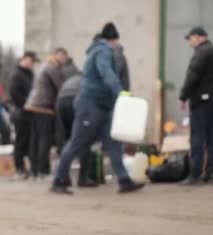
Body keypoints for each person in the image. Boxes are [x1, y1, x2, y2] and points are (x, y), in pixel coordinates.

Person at [51, 22, 144, 194]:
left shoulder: (100, 49)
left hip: (102, 107)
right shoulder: (102, 50)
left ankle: (124, 181)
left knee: (113, 144)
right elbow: (106, 71)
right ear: (114, 40)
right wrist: (120, 92)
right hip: (90, 105)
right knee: (76, 142)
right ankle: (59, 179)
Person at [180, 26, 213, 185]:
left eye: (191, 38)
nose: (190, 42)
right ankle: (209, 173)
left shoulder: (201, 53)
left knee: (197, 138)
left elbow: (192, 76)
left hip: (200, 102)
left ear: (199, 37)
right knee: (212, 138)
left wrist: (183, 97)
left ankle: (195, 175)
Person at [24, 47, 69, 179]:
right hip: (43, 106)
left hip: (33, 105)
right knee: (45, 139)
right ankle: (43, 170)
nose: (64, 61)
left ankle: (34, 170)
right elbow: (61, 86)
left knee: (35, 139)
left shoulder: (45, 66)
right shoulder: (53, 66)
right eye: (64, 57)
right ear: (59, 55)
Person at [55, 67, 97, 187]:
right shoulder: (88, 79)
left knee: (68, 140)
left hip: (61, 103)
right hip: (76, 101)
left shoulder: (70, 79)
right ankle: (83, 178)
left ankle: (64, 177)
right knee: (84, 140)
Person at [9, 51, 38, 177]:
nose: (33, 64)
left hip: (30, 111)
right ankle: (19, 168)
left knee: (30, 141)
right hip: (20, 112)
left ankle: (30, 167)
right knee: (20, 141)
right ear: (25, 59)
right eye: (32, 61)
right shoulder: (17, 74)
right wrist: (25, 105)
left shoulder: (30, 74)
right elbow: (14, 93)